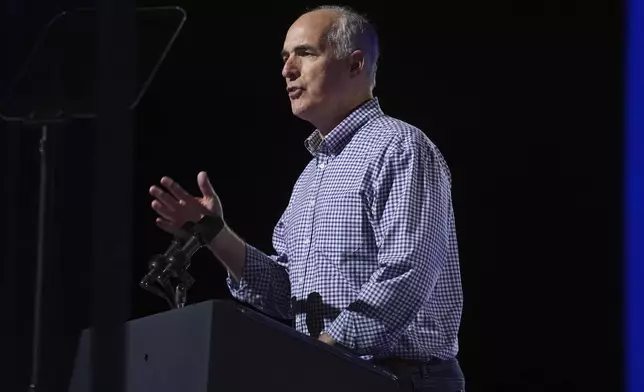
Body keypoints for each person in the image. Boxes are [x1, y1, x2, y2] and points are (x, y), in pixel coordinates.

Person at [149, 5, 465, 392]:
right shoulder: (310, 177)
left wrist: (322, 353)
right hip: (330, 374)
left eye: (305, 53)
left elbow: (407, 273)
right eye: (284, 58)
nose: (287, 70)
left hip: (401, 379)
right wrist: (216, 234)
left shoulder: (401, 148)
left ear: (355, 64)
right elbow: (288, 294)